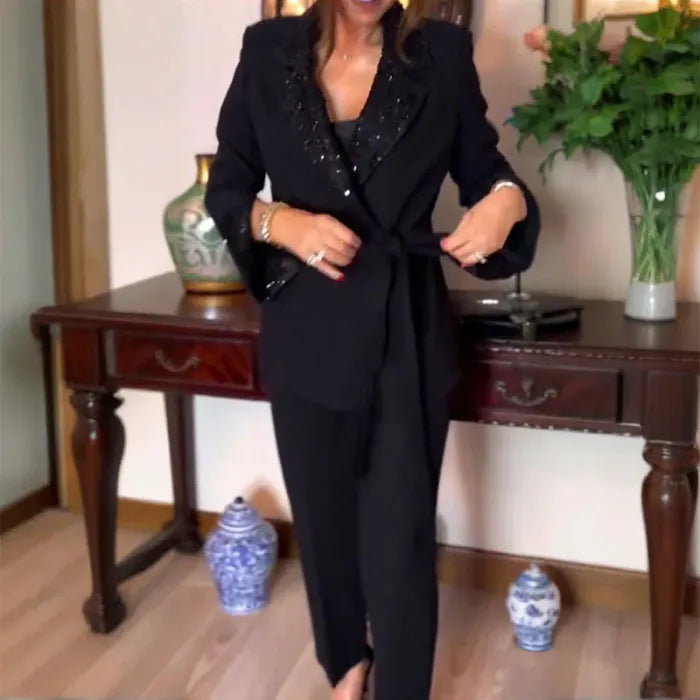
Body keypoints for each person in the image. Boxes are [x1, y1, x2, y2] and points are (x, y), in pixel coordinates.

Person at [205, 1, 539, 698]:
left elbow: (487, 174)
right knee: (322, 520)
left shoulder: (441, 54)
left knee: (400, 536)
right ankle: (345, 666)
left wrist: (506, 202)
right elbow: (228, 189)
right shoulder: (267, 51)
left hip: (404, 328)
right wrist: (280, 222)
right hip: (305, 320)